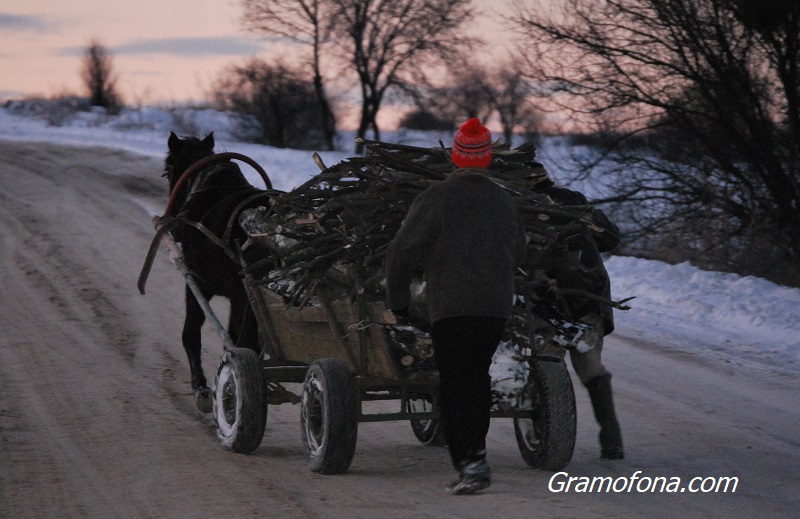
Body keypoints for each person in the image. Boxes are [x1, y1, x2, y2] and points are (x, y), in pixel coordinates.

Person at [385, 118, 527, 495]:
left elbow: (400, 252)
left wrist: (398, 303)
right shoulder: (504, 200)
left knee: (454, 382)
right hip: (495, 306)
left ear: (455, 157)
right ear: (488, 159)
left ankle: (470, 464)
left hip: (451, 305)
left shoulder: (437, 197)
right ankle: (475, 455)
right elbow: (520, 250)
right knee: (476, 378)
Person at [535, 182, 625, 460]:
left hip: (547, 294)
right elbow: (610, 238)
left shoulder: (515, 200)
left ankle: (549, 436)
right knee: (590, 366)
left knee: (547, 358)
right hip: (589, 291)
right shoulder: (572, 199)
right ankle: (612, 440)